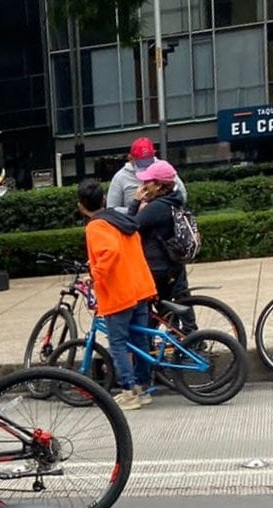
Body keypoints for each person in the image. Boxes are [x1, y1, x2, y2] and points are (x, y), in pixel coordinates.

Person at [76, 178, 157, 411]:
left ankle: (129, 392)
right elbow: (128, 226)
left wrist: (94, 275)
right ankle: (143, 387)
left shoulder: (96, 226)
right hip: (139, 287)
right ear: (103, 199)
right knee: (139, 340)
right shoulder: (119, 219)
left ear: (81, 206)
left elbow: (108, 253)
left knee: (119, 343)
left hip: (119, 292)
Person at [127, 159, 196, 331]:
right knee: (178, 304)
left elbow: (129, 226)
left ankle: (182, 339)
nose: (143, 185)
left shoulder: (157, 207)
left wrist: (135, 202)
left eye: (147, 181)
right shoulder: (174, 200)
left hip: (158, 268)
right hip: (173, 263)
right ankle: (188, 338)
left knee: (151, 308)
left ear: (158, 186)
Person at [107, 137, 187, 212]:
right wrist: (135, 209)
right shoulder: (120, 177)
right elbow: (111, 209)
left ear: (154, 154)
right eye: (141, 163)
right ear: (130, 158)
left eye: (149, 162)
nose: (146, 168)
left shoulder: (164, 169)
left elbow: (182, 196)